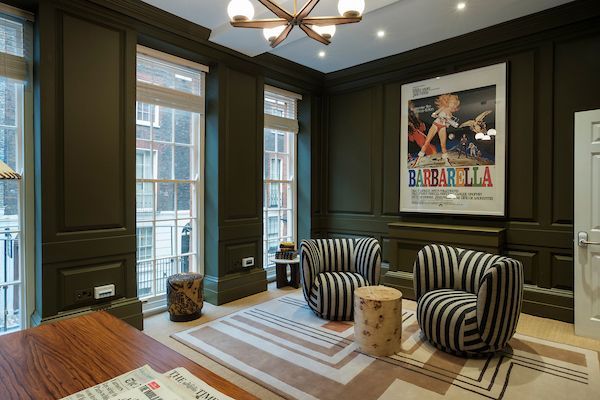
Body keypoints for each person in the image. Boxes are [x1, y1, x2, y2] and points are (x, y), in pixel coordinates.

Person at [413, 94, 460, 167]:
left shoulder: (451, 115)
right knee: (427, 142)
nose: (452, 104)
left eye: (454, 103)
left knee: (443, 145)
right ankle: (418, 161)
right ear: (448, 102)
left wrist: (447, 121)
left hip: (443, 127)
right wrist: (436, 115)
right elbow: (433, 114)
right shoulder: (443, 108)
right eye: (452, 102)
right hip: (435, 124)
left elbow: (448, 125)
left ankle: (446, 162)